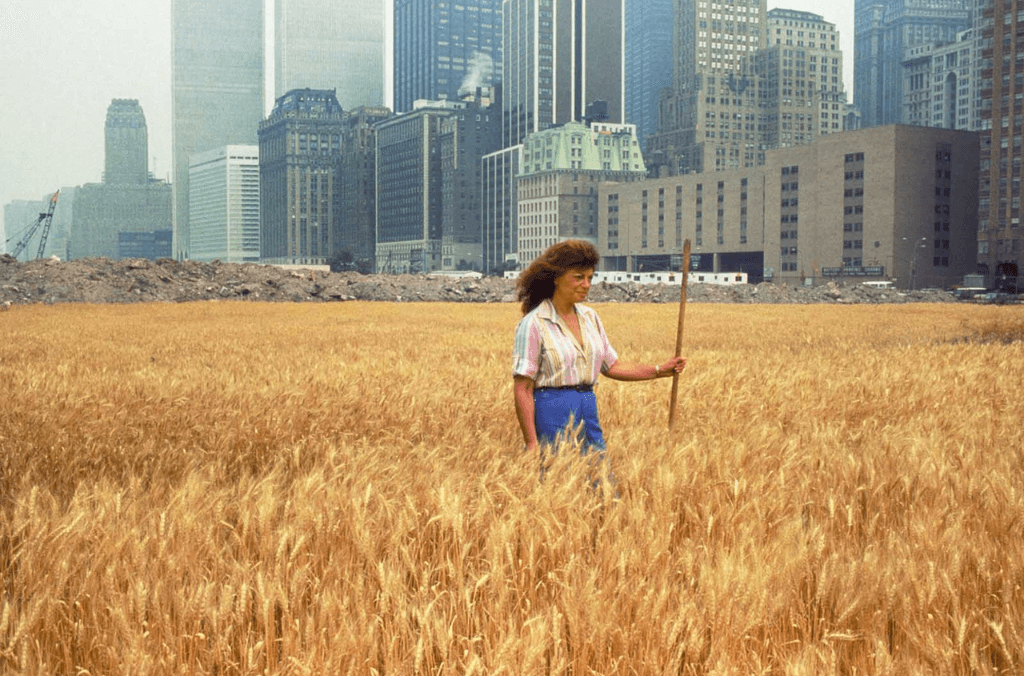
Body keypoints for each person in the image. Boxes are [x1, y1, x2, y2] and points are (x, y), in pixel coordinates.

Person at [512, 239, 686, 466]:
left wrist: (658, 370)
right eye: (578, 277)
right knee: (557, 481)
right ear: (556, 278)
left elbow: (612, 366)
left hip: (587, 405)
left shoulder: (590, 318)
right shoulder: (534, 323)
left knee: (600, 479)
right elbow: (523, 387)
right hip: (551, 408)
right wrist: (532, 443)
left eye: (590, 278)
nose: (586, 284)